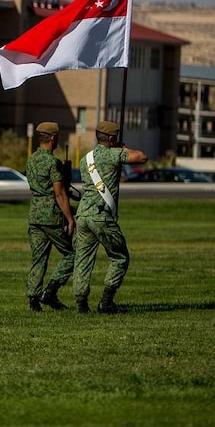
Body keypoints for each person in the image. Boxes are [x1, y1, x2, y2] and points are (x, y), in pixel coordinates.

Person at [71, 120, 147, 314]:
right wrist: (124, 148)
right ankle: (106, 301)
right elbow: (142, 157)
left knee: (83, 258)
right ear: (112, 139)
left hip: (83, 214)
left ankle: (81, 303)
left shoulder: (85, 158)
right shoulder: (114, 155)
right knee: (120, 256)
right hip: (100, 216)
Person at [25, 121, 75, 311]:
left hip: (35, 214)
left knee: (39, 258)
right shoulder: (53, 163)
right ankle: (51, 291)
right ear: (53, 138)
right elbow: (60, 194)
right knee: (71, 254)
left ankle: (33, 299)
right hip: (51, 216)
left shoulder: (31, 160)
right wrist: (70, 219)